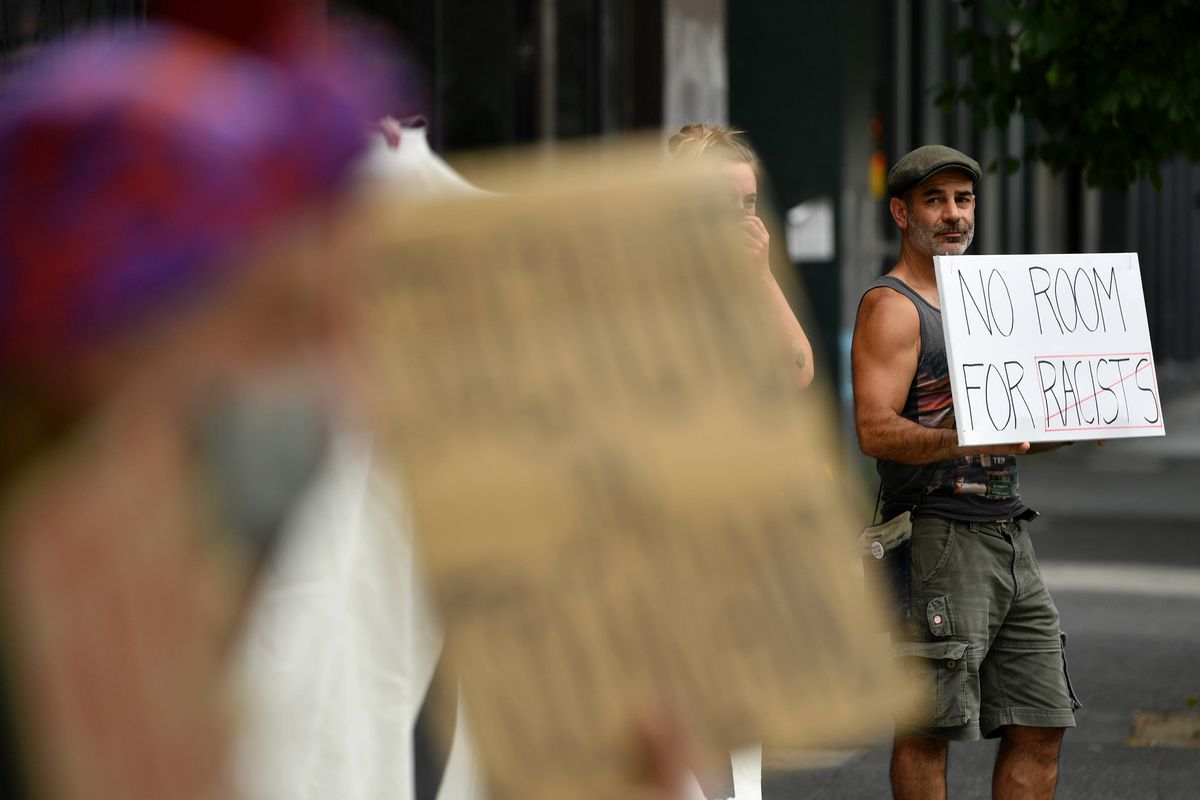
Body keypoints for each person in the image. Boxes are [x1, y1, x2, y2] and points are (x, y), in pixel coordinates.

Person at [851, 145, 1081, 800]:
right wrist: (964, 437)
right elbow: (874, 429)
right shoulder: (892, 306)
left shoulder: (993, 303)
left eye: (964, 199)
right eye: (935, 201)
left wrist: (1078, 416)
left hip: (1010, 534)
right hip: (937, 535)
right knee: (928, 730)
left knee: (1042, 720)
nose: (954, 215)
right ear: (901, 212)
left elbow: (1025, 430)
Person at [668, 124, 814, 390]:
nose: (741, 214)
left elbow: (799, 372)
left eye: (749, 201)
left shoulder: (748, 277)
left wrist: (763, 277)